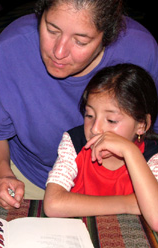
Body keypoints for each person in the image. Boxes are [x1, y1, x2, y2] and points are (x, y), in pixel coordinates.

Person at [0, 0, 158, 209]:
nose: (59, 51)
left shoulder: (141, 50)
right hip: (31, 183)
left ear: (108, 37)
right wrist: (4, 176)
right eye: (51, 30)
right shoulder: (11, 49)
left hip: (129, 186)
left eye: (81, 41)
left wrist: (136, 199)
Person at [44, 63, 158, 231]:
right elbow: (53, 204)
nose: (95, 128)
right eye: (89, 115)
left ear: (141, 125)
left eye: (111, 120)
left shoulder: (152, 156)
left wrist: (130, 151)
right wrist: (129, 203)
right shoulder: (75, 143)